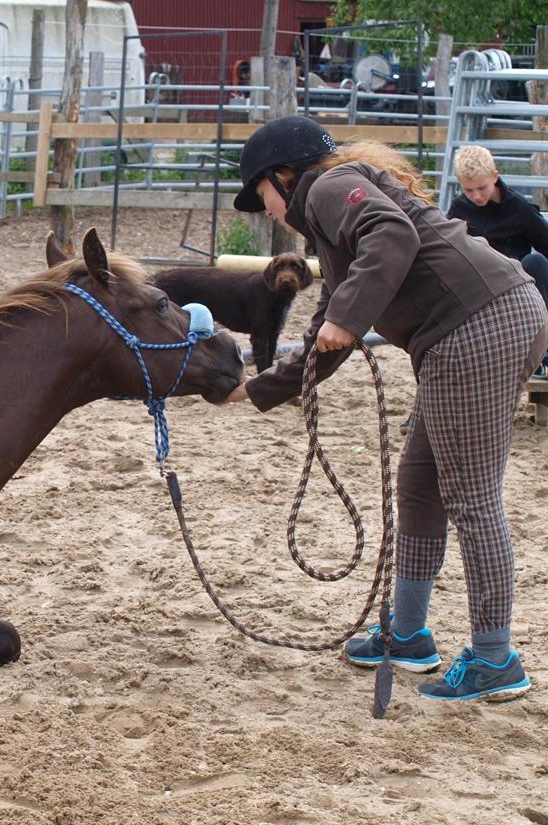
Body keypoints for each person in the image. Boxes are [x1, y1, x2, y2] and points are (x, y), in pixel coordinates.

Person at [220, 116, 548, 703]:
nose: (263, 207)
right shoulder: (331, 209)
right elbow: (330, 324)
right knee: (419, 480)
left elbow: (390, 238)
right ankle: (408, 633)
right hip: (491, 319)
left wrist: (348, 319)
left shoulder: (324, 190)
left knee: (471, 497)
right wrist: (260, 388)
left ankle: (496, 658)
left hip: (475, 328)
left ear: (282, 176)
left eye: (260, 194)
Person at [448, 144, 548, 310]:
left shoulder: (518, 207)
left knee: (535, 261)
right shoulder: (458, 209)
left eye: (482, 188)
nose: (476, 196)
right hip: (480, 284)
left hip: (518, 284)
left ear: (494, 177)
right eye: (468, 190)